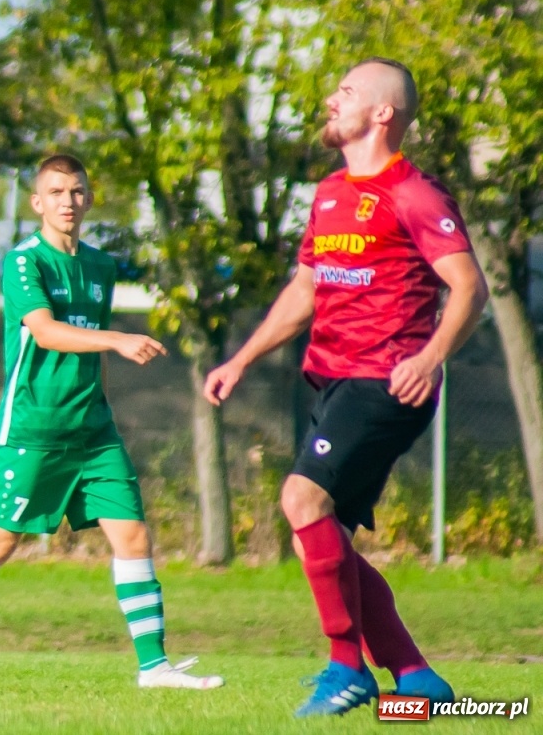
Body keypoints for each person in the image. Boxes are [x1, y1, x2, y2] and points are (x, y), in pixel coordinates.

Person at [204, 58, 488, 717]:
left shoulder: (413, 193)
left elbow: (470, 287)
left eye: (347, 92)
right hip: (332, 380)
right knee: (318, 529)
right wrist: (241, 358)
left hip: (386, 381)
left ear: (382, 113)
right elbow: (306, 289)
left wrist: (432, 356)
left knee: (300, 499)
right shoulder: (330, 192)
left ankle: (345, 666)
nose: (332, 100)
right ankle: (414, 677)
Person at [0, 154, 223, 691]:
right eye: (56, 192)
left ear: (89, 199)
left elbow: (93, 353)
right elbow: (45, 331)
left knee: (132, 534)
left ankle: (154, 667)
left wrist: (103, 402)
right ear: (38, 203)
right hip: (34, 428)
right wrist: (117, 338)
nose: (68, 201)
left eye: (77, 191)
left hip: (93, 430)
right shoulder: (25, 263)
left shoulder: (100, 267)